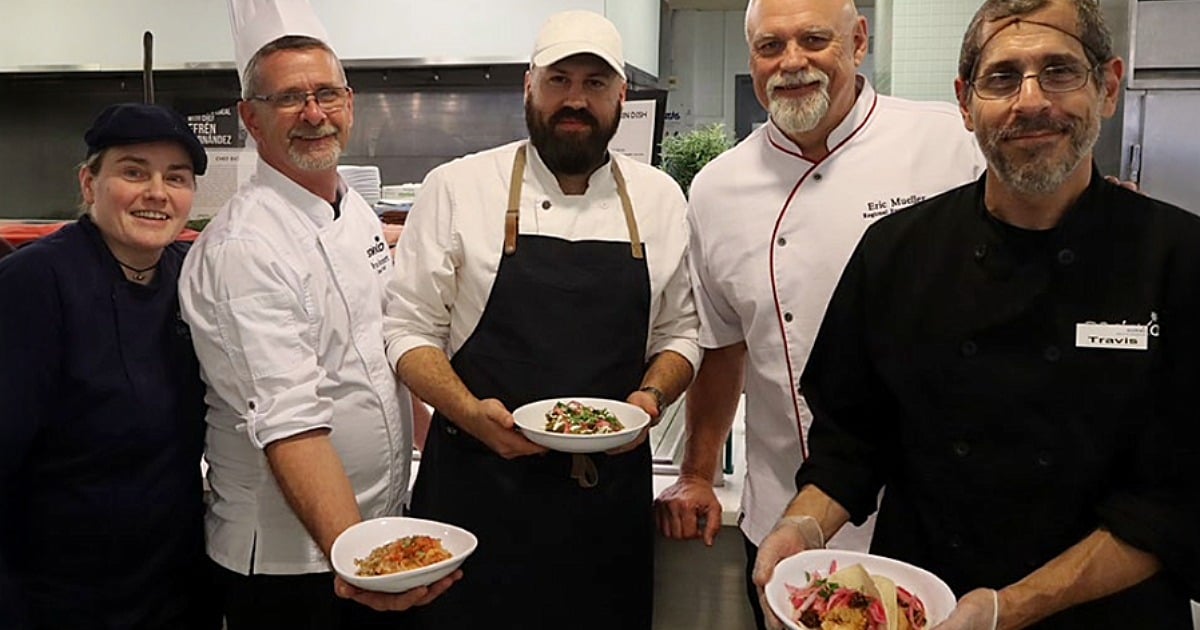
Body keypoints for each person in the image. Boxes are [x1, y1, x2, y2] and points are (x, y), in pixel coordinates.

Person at [753, 0, 1200, 627]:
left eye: (1060, 71)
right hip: (922, 605)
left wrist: (1008, 609)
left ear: (1107, 86)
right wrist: (801, 526)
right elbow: (850, 442)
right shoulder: (898, 251)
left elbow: (1177, 500)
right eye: (1002, 78)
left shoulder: (1179, 261)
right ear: (966, 102)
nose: (1031, 101)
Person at [654, 0, 984, 625]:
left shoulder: (951, 143)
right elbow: (724, 345)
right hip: (784, 518)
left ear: (858, 42)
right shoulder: (718, 187)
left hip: (936, 518)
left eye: (814, 39)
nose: (792, 63)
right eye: (770, 46)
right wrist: (698, 472)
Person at [382, 10, 700, 629]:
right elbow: (407, 332)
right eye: (559, 80)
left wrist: (652, 395)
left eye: (595, 83)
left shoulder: (661, 198)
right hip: (476, 496)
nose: (574, 100)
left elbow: (680, 335)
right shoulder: (457, 187)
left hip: (606, 508)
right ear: (529, 85)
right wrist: (471, 413)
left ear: (621, 97)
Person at [178, 4, 455, 626]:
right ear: (250, 117)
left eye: (326, 93)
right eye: (288, 98)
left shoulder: (351, 208)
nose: (313, 114)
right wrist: (361, 565)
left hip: (370, 528)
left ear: (349, 103)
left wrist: (436, 448)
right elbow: (288, 421)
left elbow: (379, 345)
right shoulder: (245, 249)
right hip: (294, 561)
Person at [0, 103, 218, 629]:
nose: (157, 192)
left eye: (176, 177)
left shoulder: (191, 277)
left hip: (174, 586)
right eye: (133, 171)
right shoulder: (33, 284)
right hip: (61, 595)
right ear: (89, 182)